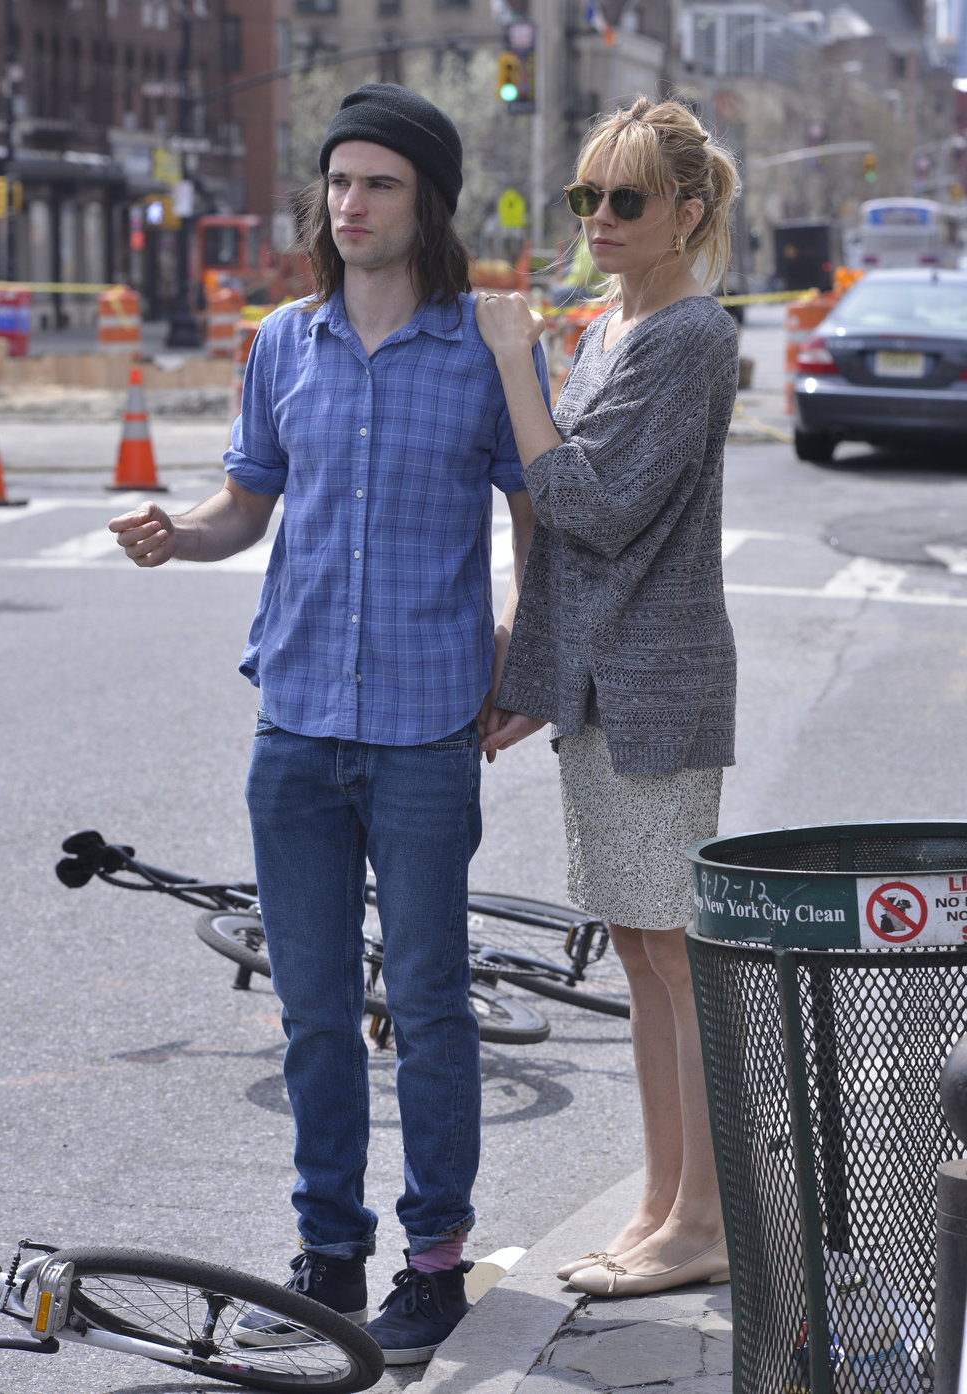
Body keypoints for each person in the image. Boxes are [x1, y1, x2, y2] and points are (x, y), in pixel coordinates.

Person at [109, 82, 548, 1363]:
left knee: (428, 1002)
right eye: (339, 181)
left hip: (424, 726)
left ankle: (435, 1261)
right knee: (310, 1008)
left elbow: (536, 519)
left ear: (427, 203)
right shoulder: (281, 342)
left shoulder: (483, 348)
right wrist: (177, 533)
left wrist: (520, 647)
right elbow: (246, 504)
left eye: (379, 184)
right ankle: (329, 1256)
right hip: (295, 721)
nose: (350, 204)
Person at [475, 95, 740, 1299]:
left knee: (674, 951)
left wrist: (514, 361)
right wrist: (532, 674)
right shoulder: (609, 326)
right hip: (602, 687)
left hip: (657, 686)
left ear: (687, 211)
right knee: (637, 948)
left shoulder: (690, 334)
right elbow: (558, 543)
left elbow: (585, 502)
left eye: (623, 198)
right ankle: (659, 1203)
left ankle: (706, 1219)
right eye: (586, 196)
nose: (597, 217)